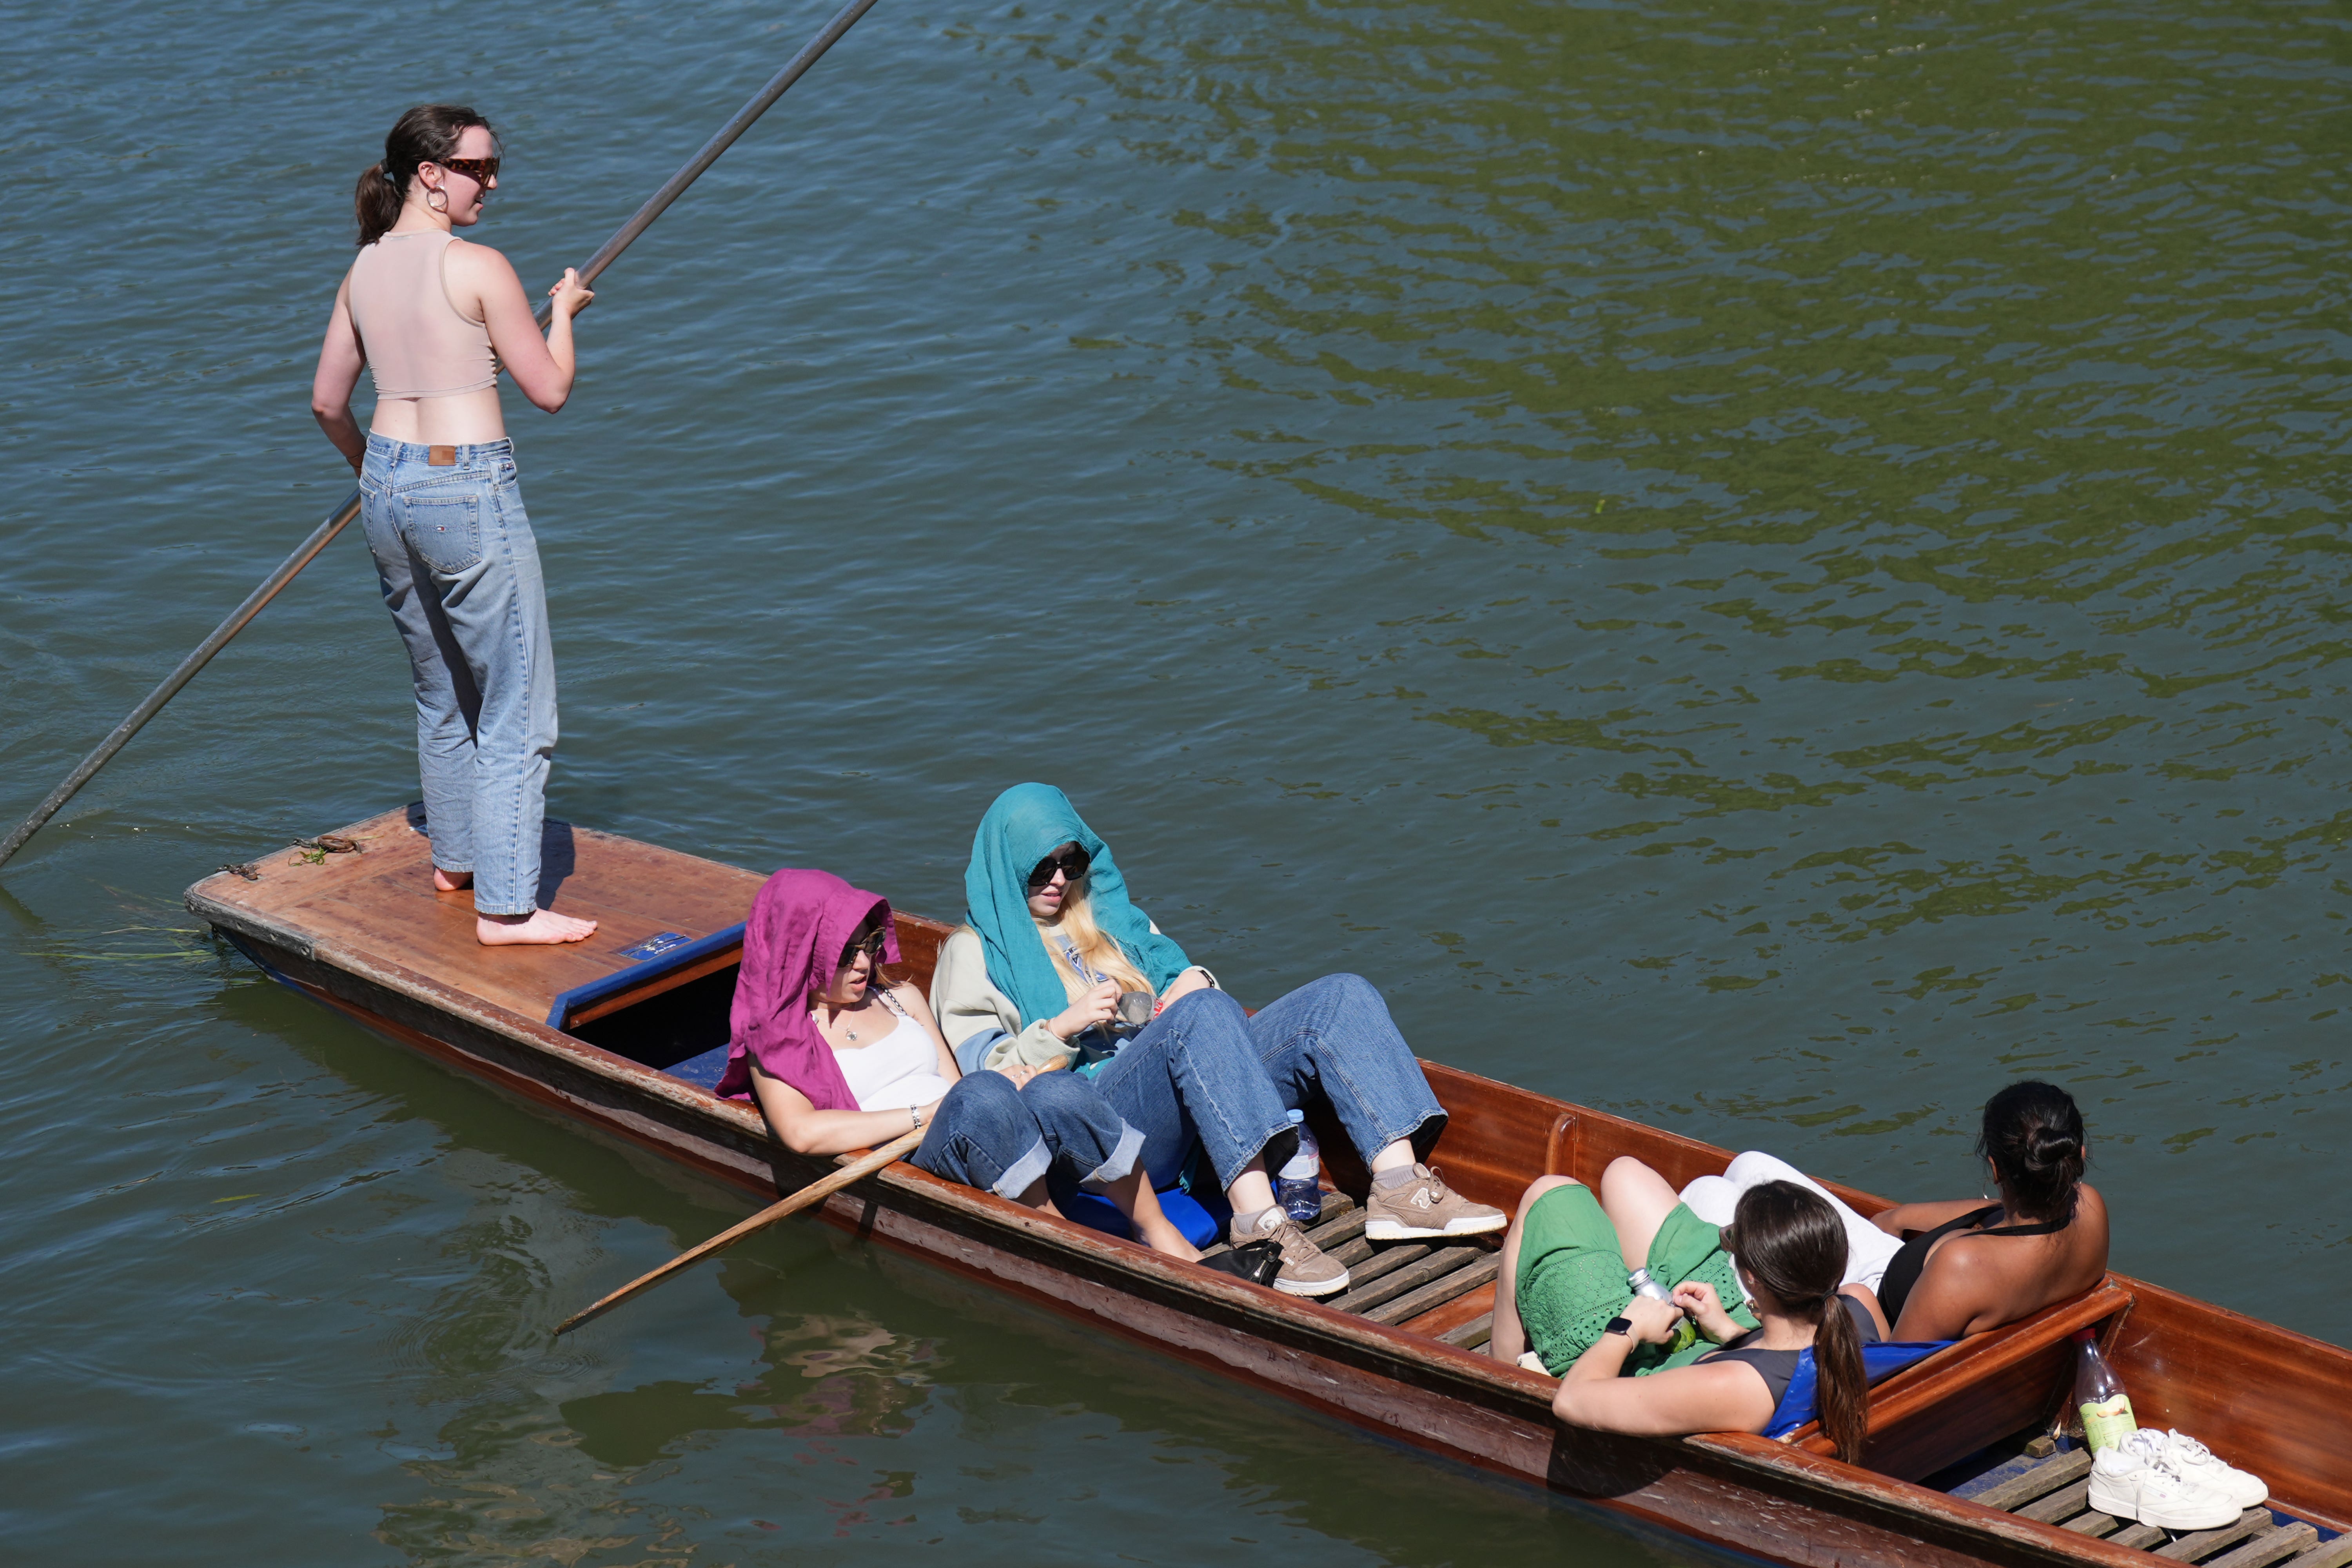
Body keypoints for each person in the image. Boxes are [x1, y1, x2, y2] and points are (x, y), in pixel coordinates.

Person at [929, 783, 1505, 1298]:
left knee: (1337, 998)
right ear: (1006, 869)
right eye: (1040, 869)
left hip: (1187, 1096)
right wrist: (1064, 1026)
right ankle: (1258, 1219)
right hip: (1099, 1132)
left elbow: (1203, 1013)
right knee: (1201, 1016)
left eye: (1071, 861)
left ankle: (1400, 1187)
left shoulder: (1113, 921)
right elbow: (990, 1081)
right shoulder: (973, 954)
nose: (1059, 880)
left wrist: (1194, 980)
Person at [310, 104, 598, 945]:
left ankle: (457, 857)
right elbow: (548, 390)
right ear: (429, 175)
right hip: (465, 490)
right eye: (477, 167)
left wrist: (375, 472)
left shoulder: (363, 270)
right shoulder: (478, 266)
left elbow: (328, 403)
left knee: (443, 690)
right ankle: (507, 907)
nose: (492, 182)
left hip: (388, 485)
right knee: (519, 705)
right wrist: (566, 313)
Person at [714, 867, 1200, 1260]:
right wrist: (928, 1113)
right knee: (981, 1097)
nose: (863, 963)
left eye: (870, 944)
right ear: (803, 952)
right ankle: (1062, 1237)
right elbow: (803, 1134)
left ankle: (1156, 1230)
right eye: (845, 953)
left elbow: (958, 1083)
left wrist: (1012, 1081)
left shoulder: (902, 997)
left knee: (1057, 1092)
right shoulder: (779, 1037)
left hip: (968, 1121)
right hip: (911, 1150)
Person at [1544, 1181, 1885, 1462]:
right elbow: (1797, 1361)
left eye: (1734, 1238)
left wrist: (1627, 1328)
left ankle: (1502, 1362)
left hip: (1638, 1376)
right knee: (1624, 1175)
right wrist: (1731, 1333)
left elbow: (1571, 1401)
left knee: (1550, 1193)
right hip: (1723, 1357)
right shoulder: (1858, 1305)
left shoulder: (1735, 1386)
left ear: (1752, 1279)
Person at [1866, 1080, 2108, 1340]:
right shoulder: (2091, 1208)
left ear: (1995, 1170)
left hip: (1877, 1332)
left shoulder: (1961, 1266)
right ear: (2078, 1155)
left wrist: (1861, 1301)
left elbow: (1899, 1370)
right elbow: (2012, 1215)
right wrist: (1902, 1216)